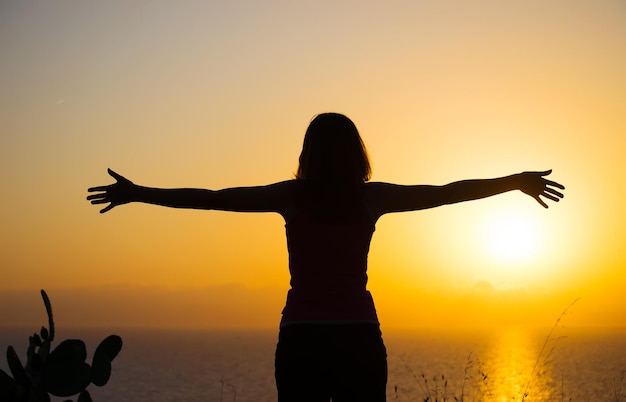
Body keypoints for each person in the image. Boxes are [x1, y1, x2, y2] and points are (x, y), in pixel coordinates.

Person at [87, 112, 565, 402]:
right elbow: (447, 193)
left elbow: (212, 196)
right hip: (358, 337)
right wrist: (514, 181)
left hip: (302, 340)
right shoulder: (370, 198)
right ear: (355, 153)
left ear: (308, 153)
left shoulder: (291, 197)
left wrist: (140, 193)